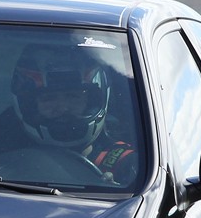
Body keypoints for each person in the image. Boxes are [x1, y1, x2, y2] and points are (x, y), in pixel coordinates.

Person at [10, 42, 139, 185]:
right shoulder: (2, 154)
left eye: (73, 97)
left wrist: (116, 192)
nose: (63, 107)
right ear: (30, 106)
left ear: (91, 101)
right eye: (48, 98)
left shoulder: (129, 165)